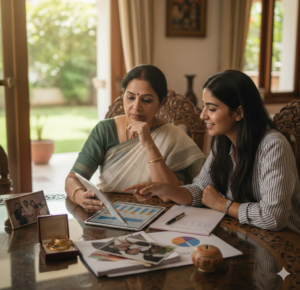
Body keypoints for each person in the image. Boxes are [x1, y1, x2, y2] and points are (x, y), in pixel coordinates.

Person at [123, 70, 300, 233]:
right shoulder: (223, 142)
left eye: (212, 109)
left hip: (285, 242)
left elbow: (273, 218)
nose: (203, 115)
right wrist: (162, 189)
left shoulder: (273, 146)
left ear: (239, 112)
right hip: (245, 231)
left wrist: (222, 204)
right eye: (204, 106)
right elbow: (201, 191)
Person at [65, 64, 206, 213]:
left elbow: (167, 197)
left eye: (146, 100)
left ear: (162, 103)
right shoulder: (105, 130)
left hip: (160, 215)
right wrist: (80, 197)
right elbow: (73, 179)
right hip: (109, 212)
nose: (136, 107)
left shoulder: (173, 137)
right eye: (130, 97)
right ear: (123, 96)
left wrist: (149, 144)